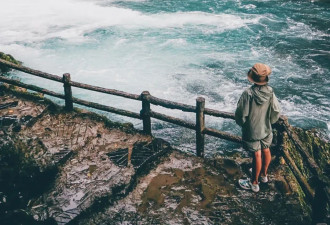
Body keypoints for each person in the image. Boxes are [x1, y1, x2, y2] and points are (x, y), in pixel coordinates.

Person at [235, 63, 281, 192]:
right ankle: (264, 175)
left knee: (256, 154)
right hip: (266, 128)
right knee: (266, 150)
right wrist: (269, 122)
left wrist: (244, 124)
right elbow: (276, 110)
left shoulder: (248, 93)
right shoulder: (270, 91)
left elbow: (241, 114)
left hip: (252, 129)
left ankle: (254, 183)